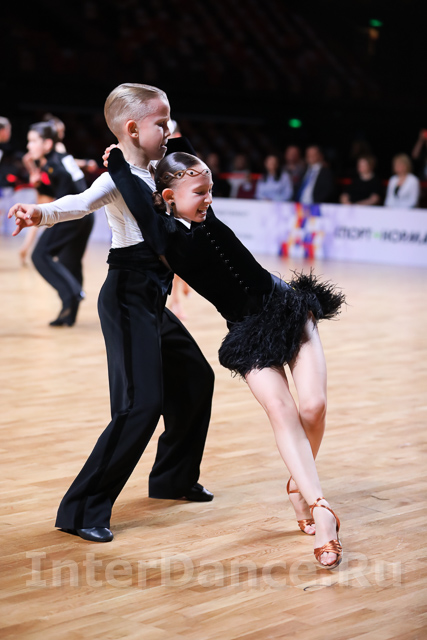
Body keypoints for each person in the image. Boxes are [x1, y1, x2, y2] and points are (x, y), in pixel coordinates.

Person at [107, 145, 346, 569]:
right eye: (200, 193)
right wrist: (119, 166)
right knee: (281, 411)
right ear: (169, 197)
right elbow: (139, 199)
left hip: (289, 309)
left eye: (211, 190)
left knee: (313, 407)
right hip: (248, 334)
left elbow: (178, 154)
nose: (209, 199)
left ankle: (297, 485)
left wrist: (170, 149)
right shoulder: (162, 234)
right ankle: (320, 507)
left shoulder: (206, 214)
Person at [9, 83, 214, 543]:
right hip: (125, 295)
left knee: (196, 379)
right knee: (140, 404)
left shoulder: (160, 167)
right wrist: (38, 214)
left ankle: (173, 479)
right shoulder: (115, 177)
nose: (169, 129)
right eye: (161, 122)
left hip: (152, 298)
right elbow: (79, 204)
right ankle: (81, 510)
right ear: (133, 129)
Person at [22, 121, 94, 325]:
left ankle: (74, 292)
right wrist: (40, 185)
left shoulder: (54, 165)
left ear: (47, 144)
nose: (29, 146)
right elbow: (65, 189)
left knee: (39, 255)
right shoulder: (64, 159)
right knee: (69, 262)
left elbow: (63, 195)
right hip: (85, 216)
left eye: (33, 141)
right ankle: (68, 315)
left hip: (71, 215)